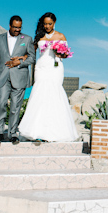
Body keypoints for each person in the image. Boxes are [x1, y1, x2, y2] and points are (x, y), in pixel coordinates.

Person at [18, 12, 78, 142]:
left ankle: (55, 131)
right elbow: (31, 52)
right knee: (40, 94)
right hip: (41, 67)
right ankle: (37, 130)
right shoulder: (39, 37)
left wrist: (59, 52)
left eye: (50, 24)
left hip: (55, 68)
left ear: (54, 23)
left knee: (54, 93)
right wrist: (22, 57)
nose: (47, 26)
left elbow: (66, 55)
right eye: (45, 24)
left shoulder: (61, 36)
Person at [0, 15, 36, 145]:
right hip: (2, 76)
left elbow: (32, 58)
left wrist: (19, 62)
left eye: (19, 28)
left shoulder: (27, 39)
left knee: (15, 107)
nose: (17, 30)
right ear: (9, 25)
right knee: (1, 103)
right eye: (14, 27)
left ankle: (12, 134)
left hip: (19, 77)